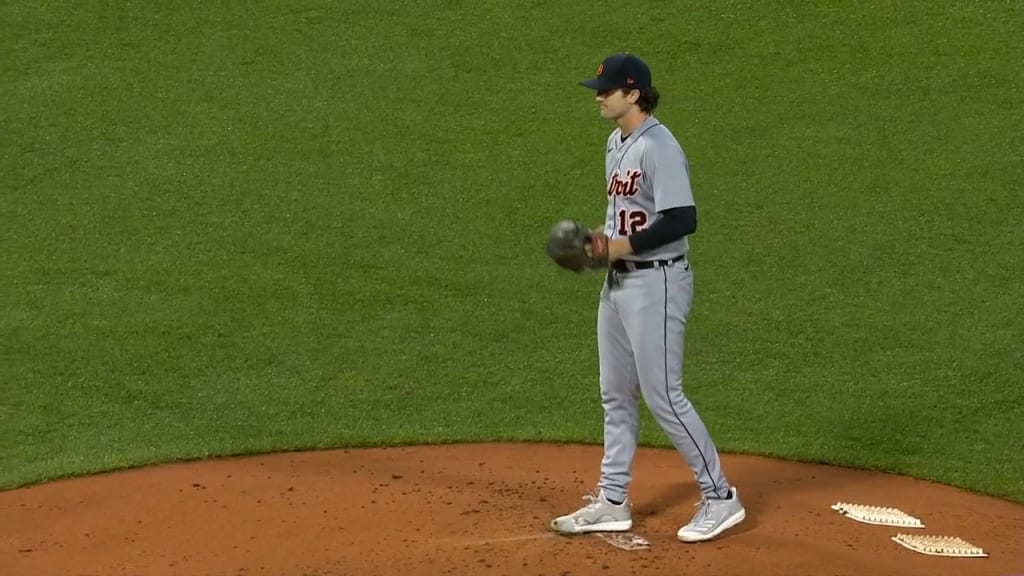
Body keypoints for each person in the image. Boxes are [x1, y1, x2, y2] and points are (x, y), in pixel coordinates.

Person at [549, 52, 746, 543]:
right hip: (618, 283)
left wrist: (619, 245)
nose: (599, 96)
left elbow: (682, 219)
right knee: (615, 394)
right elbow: (632, 214)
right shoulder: (616, 143)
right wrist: (603, 240)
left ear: (633, 94)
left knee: (664, 396)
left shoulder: (659, 146)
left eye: (607, 90)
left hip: (656, 282)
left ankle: (721, 497)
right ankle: (612, 500)